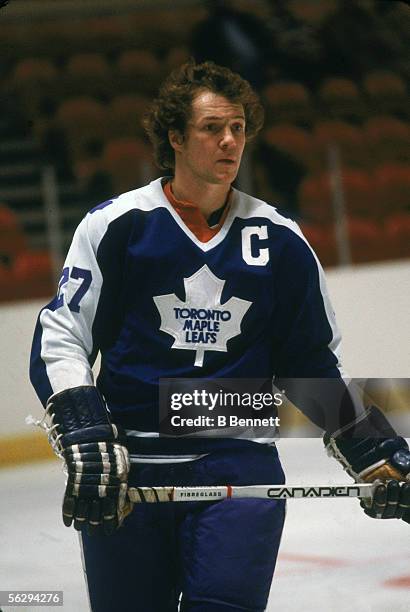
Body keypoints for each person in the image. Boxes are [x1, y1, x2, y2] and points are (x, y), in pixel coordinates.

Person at [29, 61, 410, 612]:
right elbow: (63, 333)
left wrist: (370, 444)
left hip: (240, 462)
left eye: (238, 129)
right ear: (176, 138)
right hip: (131, 470)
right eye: (212, 128)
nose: (230, 141)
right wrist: (85, 430)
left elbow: (308, 363)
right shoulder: (118, 225)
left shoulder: (280, 239)